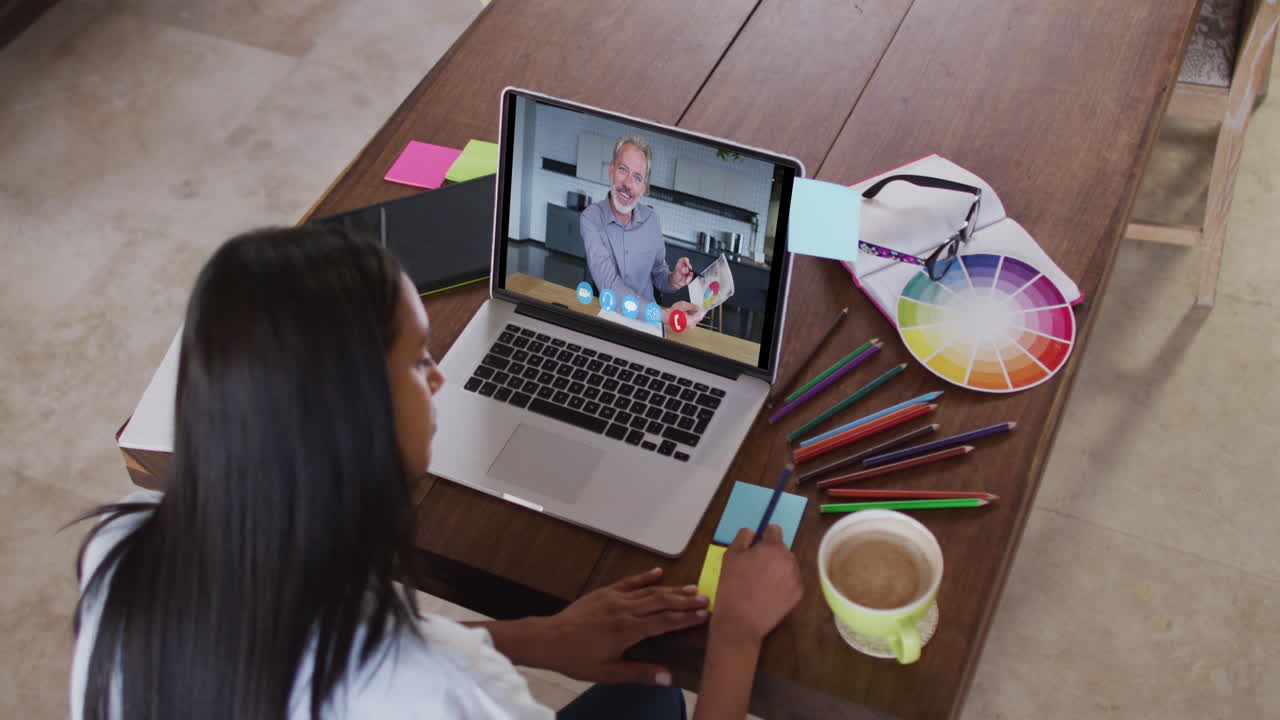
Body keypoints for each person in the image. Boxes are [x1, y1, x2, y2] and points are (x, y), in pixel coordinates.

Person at [71, 225, 802, 720]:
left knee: (646, 699)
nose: (441, 379)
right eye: (420, 360)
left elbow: (324, 643)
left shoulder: (123, 553)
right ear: (358, 421)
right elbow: (410, 674)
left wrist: (535, 638)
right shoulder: (441, 695)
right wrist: (735, 635)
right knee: (661, 698)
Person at [580, 135, 704, 323]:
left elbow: (659, 276)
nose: (628, 184)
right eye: (623, 170)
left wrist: (673, 279)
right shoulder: (591, 219)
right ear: (611, 171)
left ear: (643, 188)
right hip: (609, 319)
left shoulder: (652, 220)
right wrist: (665, 316)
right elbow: (610, 287)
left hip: (649, 324)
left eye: (637, 177)